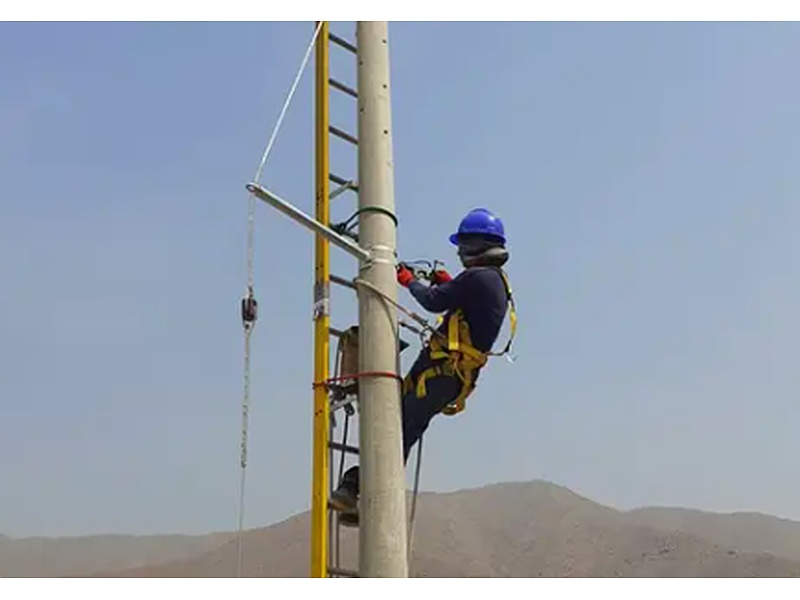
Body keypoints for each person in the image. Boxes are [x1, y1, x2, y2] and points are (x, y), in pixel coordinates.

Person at [328, 207, 516, 523]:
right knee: (404, 431)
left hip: (442, 373)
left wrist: (409, 281)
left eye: (463, 247)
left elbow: (433, 301)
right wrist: (447, 283)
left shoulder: (477, 277)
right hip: (449, 377)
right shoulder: (493, 280)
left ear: (475, 246)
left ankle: (353, 488)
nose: (459, 253)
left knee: (396, 430)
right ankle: (364, 498)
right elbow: (463, 304)